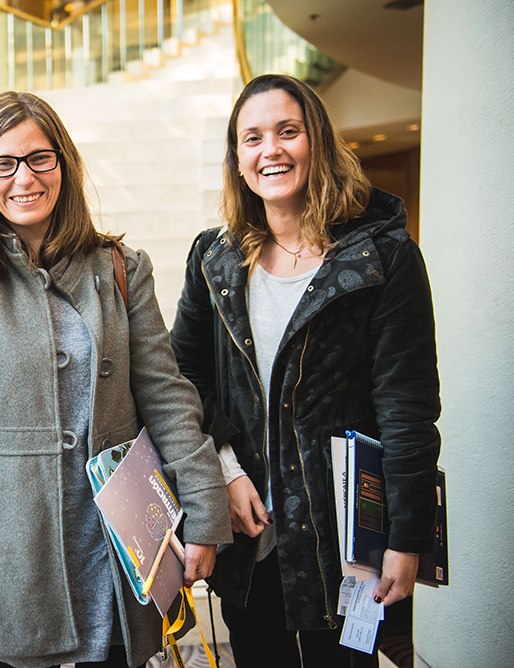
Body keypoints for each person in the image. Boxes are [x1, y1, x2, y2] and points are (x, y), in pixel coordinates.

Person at [0, 91, 232, 668]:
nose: (24, 178)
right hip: (13, 549)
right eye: (3, 163)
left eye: (40, 158)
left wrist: (204, 505)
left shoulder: (121, 267)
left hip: (116, 541)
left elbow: (166, 395)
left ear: (63, 163)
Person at [169, 74, 440, 667]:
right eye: (252, 138)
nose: (271, 150)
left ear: (316, 139)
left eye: (287, 131)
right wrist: (224, 470)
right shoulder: (214, 259)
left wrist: (407, 539)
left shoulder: (383, 256)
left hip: (344, 544)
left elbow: (407, 410)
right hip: (249, 539)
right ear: (237, 159)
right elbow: (183, 378)